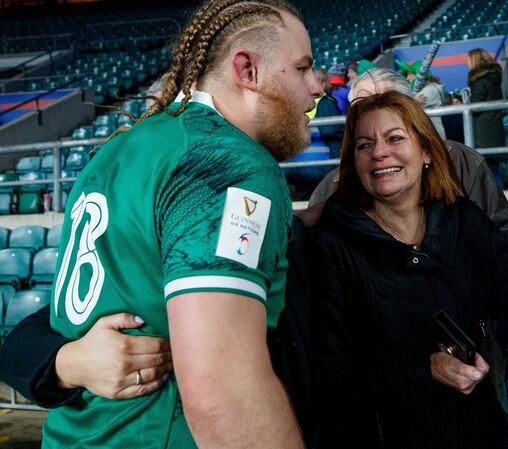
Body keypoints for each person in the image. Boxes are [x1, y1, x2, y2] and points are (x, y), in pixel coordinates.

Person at [30, 1, 319, 447]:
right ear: (248, 70)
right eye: (302, 68)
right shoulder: (229, 162)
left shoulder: (119, 148)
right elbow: (224, 396)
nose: (317, 86)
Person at [312, 90, 508, 449]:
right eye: (364, 145)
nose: (380, 152)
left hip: (477, 432)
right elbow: (333, 376)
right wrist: (427, 369)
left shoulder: (463, 220)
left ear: (427, 150)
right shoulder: (333, 244)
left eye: (395, 138)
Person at [308, 68, 508, 241]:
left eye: (389, 103)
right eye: (362, 106)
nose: (375, 114)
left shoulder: (463, 165)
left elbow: (500, 244)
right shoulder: (330, 189)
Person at [284, 67, 344, 200]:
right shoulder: (324, 102)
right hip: (318, 167)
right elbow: (332, 132)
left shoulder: (294, 102)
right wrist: (337, 167)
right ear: (322, 83)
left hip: (295, 166)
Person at [398, 59, 447, 138]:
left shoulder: (429, 90)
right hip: (430, 137)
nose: (407, 78)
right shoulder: (430, 87)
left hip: (432, 138)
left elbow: (404, 110)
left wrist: (412, 102)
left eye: (410, 75)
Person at [467, 48, 505, 148]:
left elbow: (475, 106)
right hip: (493, 126)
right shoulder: (492, 77)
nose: (467, 63)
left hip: (484, 131)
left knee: (485, 161)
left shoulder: (480, 81)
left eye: (468, 60)